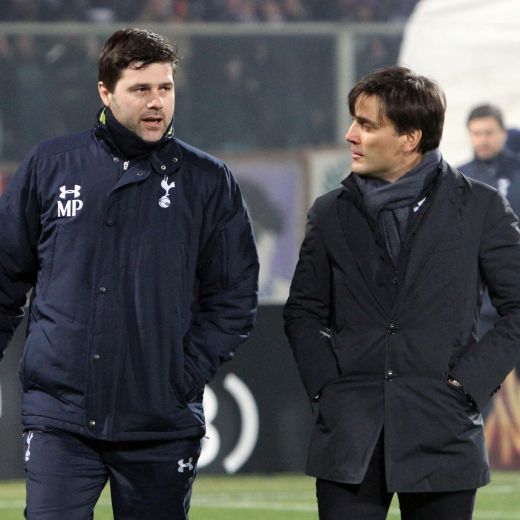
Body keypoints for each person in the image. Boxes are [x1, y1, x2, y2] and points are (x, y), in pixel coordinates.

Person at [0, 28, 258, 519]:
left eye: (165, 88)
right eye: (141, 89)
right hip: (62, 414)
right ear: (105, 92)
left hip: (160, 420)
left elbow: (234, 295)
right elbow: (4, 277)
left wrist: (182, 373)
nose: (156, 102)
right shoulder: (51, 166)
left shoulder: (207, 181)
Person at [284, 66, 520, 519]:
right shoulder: (329, 212)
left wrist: (467, 386)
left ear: (410, 139)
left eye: (367, 125)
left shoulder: (482, 207)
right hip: (351, 433)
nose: (351, 135)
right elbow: (304, 312)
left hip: (443, 429)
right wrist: (328, 389)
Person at [458, 104, 520, 335]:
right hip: (480, 295)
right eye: (476, 133)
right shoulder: (457, 179)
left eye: (489, 133)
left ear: (503, 132)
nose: (482, 140)